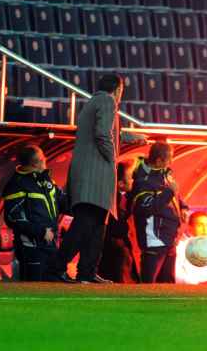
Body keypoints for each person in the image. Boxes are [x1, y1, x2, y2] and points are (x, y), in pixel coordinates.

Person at [53, 74, 143, 284]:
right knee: (86, 223)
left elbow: (108, 132)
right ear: (118, 89)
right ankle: (57, 266)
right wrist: (112, 159)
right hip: (96, 175)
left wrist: (131, 138)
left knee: (96, 225)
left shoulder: (94, 102)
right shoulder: (106, 101)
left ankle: (87, 271)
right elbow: (102, 134)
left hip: (91, 175)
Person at [2, 145, 67, 281]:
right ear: (35, 163)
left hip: (51, 244)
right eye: (43, 158)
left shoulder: (46, 180)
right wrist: (41, 232)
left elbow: (62, 202)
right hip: (31, 249)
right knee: (34, 287)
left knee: (54, 286)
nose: (46, 160)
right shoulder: (17, 184)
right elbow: (12, 218)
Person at [130, 143, 187, 284]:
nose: (171, 162)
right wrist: (169, 192)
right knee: (149, 286)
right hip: (154, 240)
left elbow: (176, 196)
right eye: (169, 159)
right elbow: (147, 207)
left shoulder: (165, 174)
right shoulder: (142, 181)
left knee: (167, 285)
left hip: (170, 238)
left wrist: (183, 207)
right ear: (158, 160)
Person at [97, 161, 137, 283]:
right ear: (120, 184)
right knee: (118, 276)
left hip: (115, 244)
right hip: (113, 246)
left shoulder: (123, 197)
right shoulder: (114, 201)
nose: (133, 180)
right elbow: (115, 225)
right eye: (130, 178)